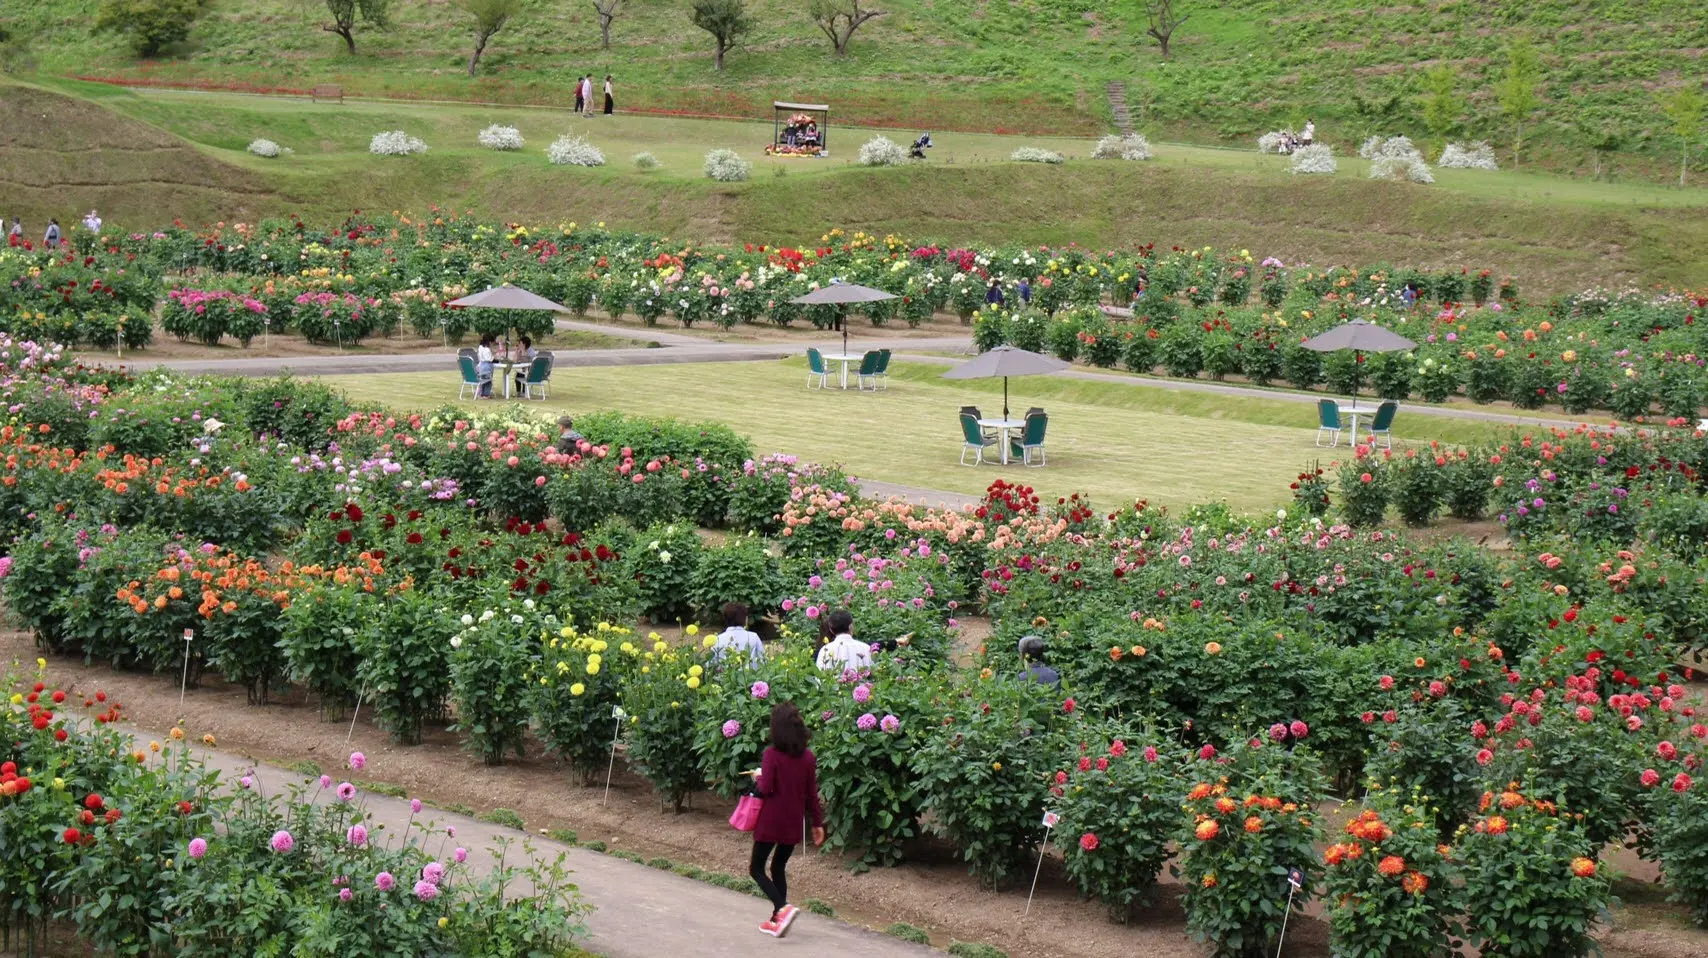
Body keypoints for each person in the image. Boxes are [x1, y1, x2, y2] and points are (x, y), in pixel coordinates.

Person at [749, 702, 825, 938]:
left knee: (756, 869)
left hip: (771, 820)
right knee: (778, 866)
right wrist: (817, 823)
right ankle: (777, 920)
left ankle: (782, 908)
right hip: (793, 822)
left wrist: (756, 778)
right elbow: (812, 793)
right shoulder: (808, 757)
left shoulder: (771, 755)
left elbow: (766, 788)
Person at [712, 602, 765, 667]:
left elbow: (711, 666)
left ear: (725, 618)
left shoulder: (717, 639)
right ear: (745, 619)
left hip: (725, 676)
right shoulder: (753, 637)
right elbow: (763, 661)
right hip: (751, 676)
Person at [475, 334, 496, 399]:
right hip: (487, 366)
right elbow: (490, 359)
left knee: (483, 381)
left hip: (481, 366)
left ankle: (482, 393)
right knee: (488, 381)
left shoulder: (480, 347)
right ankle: (486, 395)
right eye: (493, 343)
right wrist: (494, 357)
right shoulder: (487, 349)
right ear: (490, 342)